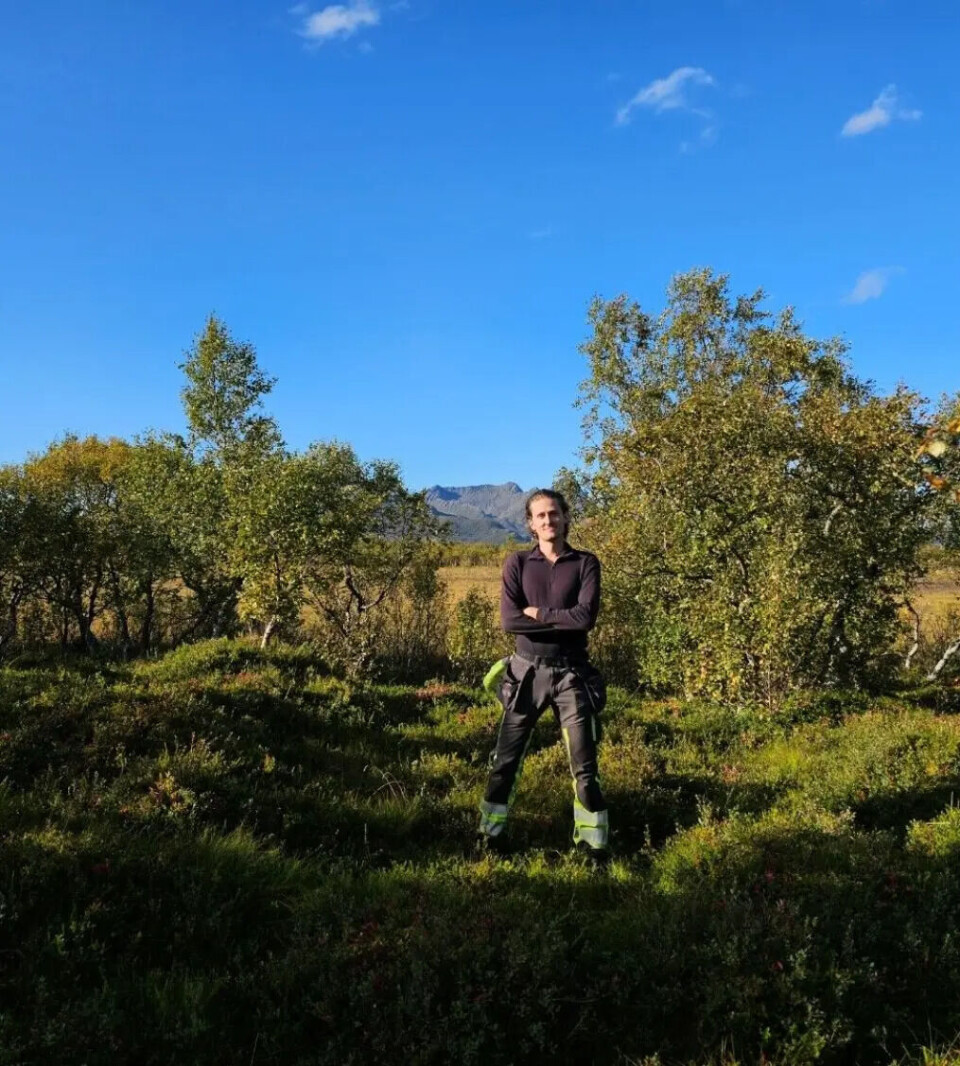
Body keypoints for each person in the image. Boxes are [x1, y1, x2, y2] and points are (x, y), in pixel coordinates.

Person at [477, 488, 608, 859]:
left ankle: (592, 845)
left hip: (573, 674)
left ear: (566, 517)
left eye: (554, 514)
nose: (548, 521)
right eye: (540, 516)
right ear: (530, 524)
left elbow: (586, 619)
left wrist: (539, 614)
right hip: (526, 673)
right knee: (506, 760)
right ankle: (490, 836)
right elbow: (509, 620)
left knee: (585, 765)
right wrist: (561, 620)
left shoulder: (585, 563)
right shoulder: (517, 564)